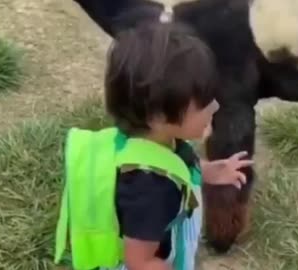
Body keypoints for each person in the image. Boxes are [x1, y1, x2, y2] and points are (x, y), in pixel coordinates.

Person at [53, 20, 253, 270]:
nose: (215, 107)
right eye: (203, 104)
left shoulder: (147, 138)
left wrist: (208, 171)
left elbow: (173, 161)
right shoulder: (151, 191)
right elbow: (140, 261)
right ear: (158, 115)